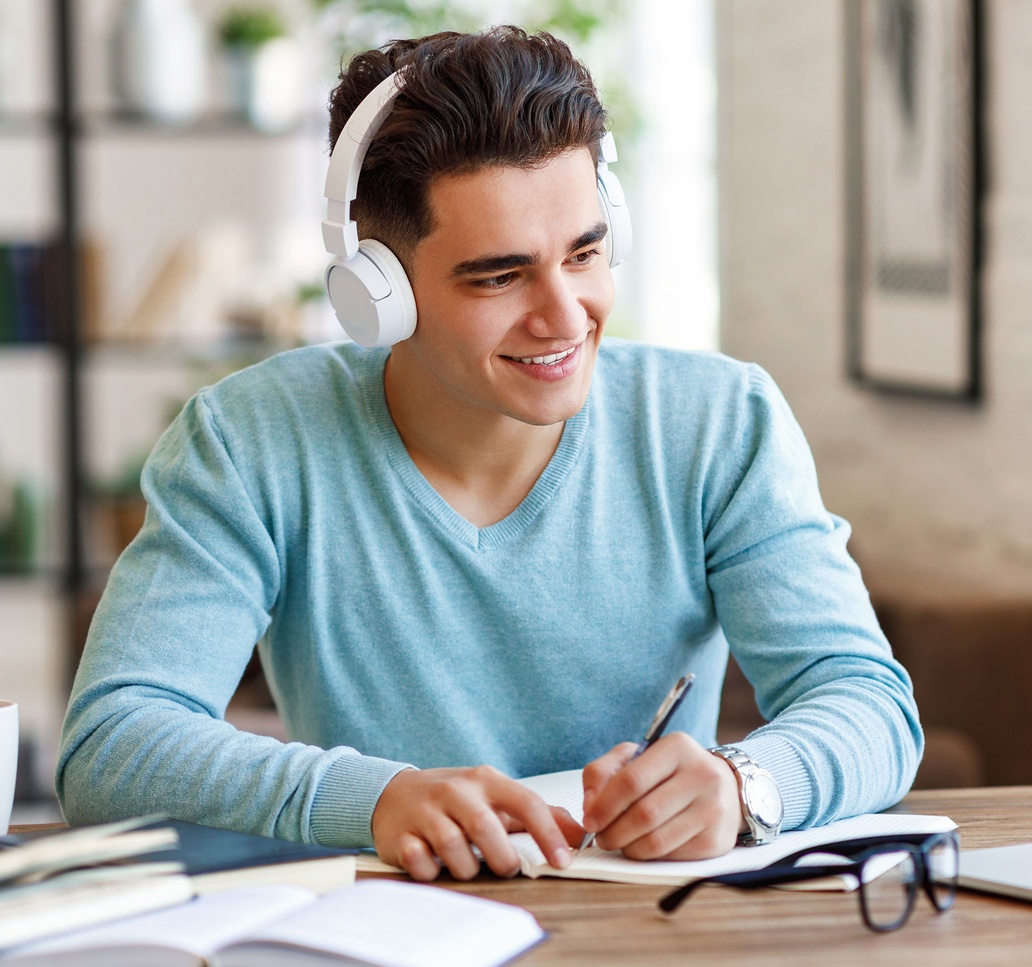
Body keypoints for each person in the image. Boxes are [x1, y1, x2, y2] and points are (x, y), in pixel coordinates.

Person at [56, 27, 922, 882]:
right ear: (378, 292)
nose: (565, 314)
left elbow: (868, 701)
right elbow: (114, 746)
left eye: (585, 253)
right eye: (500, 276)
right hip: (387, 930)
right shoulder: (250, 442)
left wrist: (747, 784)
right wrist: (377, 798)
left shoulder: (720, 422)